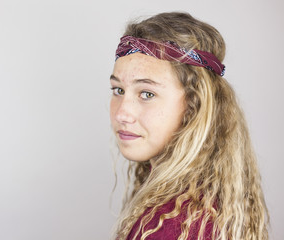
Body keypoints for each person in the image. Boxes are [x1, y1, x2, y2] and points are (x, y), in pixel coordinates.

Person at [109, 12, 269, 240]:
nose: (122, 113)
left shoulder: (170, 225)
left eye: (146, 93)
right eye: (118, 90)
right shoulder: (201, 203)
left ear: (195, 104)